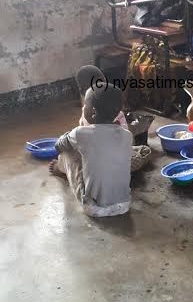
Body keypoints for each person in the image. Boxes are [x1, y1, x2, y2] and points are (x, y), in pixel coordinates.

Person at [49, 84, 132, 217]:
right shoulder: (127, 135)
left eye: (85, 105)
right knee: (100, 155)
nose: (83, 108)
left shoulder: (80, 134)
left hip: (94, 208)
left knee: (67, 154)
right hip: (124, 205)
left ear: (93, 112)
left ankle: (60, 169)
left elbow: (59, 145)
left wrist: (63, 143)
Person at [75, 65, 151, 173]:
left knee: (71, 159)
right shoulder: (115, 113)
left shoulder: (88, 116)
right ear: (83, 91)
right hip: (116, 165)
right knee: (142, 152)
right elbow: (128, 141)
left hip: (98, 166)